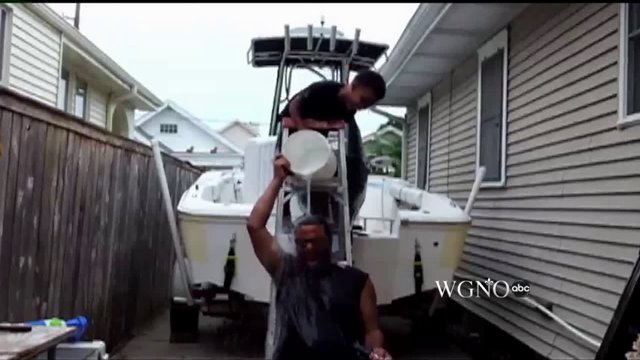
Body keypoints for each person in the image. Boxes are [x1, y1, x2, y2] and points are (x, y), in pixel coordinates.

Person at [246, 154, 392, 360]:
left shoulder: (358, 281)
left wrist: (376, 351)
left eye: (316, 241)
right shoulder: (287, 271)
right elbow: (254, 226)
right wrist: (278, 180)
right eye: (303, 242)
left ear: (329, 240)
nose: (309, 247)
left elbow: (372, 330)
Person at [276, 70, 387, 222]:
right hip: (294, 124)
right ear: (353, 87)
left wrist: (320, 130)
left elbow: (333, 126)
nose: (363, 106)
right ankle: (285, 213)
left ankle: (321, 215)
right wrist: (303, 128)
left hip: (315, 134)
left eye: (368, 105)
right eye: (363, 100)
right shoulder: (326, 89)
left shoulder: (349, 110)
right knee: (284, 171)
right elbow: (295, 104)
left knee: (316, 171)